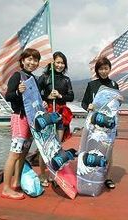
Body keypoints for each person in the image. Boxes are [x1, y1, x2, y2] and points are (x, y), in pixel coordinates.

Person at [1, 48, 47, 200]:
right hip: (19, 118)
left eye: (35, 60)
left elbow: (35, 100)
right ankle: (6, 189)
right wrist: (18, 92)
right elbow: (8, 96)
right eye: (29, 59)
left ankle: (16, 182)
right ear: (22, 60)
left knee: (23, 154)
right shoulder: (17, 76)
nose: (32, 62)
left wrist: (43, 104)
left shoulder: (33, 79)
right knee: (14, 154)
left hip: (31, 120)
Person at [81, 56, 119, 189]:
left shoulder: (114, 85)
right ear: (97, 70)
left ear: (109, 69)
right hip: (94, 123)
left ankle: (107, 177)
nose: (103, 71)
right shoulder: (92, 85)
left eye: (106, 68)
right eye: (101, 69)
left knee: (108, 150)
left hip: (109, 124)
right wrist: (88, 107)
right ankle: (91, 175)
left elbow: (115, 105)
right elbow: (84, 103)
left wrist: (119, 100)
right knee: (92, 148)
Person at [38, 51, 74, 186]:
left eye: (62, 63)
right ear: (52, 63)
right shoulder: (45, 77)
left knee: (56, 146)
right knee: (44, 146)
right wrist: (47, 98)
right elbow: (35, 93)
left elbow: (70, 96)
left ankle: (53, 172)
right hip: (47, 114)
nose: (60, 65)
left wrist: (59, 96)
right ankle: (42, 174)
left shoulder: (66, 80)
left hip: (60, 116)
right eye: (57, 62)